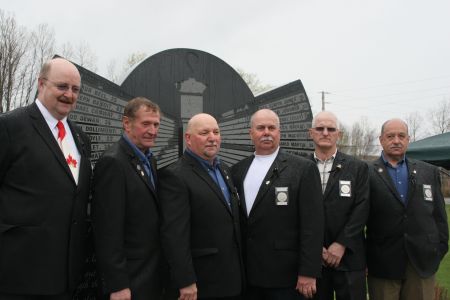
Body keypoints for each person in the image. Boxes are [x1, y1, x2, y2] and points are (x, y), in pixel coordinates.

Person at [0, 58, 92, 299]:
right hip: (19, 276)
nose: (69, 95)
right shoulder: (10, 127)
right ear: (41, 84)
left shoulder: (81, 137)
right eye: (62, 86)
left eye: (75, 89)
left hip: (66, 278)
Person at [231, 108, 324, 299]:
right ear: (251, 133)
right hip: (247, 276)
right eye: (260, 128)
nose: (266, 132)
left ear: (279, 133)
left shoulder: (303, 169)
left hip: (286, 278)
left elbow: (312, 225)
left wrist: (308, 272)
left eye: (271, 127)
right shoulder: (237, 171)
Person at [158, 113, 243, 300]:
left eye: (216, 132)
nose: (212, 138)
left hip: (232, 281)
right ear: (188, 138)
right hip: (200, 284)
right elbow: (174, 236)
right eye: (204, 133)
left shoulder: (225, 170)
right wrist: (186, 281)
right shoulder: (175, 176)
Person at [366, 118, 449, 300]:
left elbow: (439, 217)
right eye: (390, 136)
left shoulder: (429, 172)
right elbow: (359, 218)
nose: (396, 140)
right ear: (381, 139)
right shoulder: (366, 172)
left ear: (408, 139)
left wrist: (438, 250)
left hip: (421, 264)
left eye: (401, 136)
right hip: (383, 264)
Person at [92, 97, 164, 300]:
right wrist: (118, 285)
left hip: (150, 277)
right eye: (146, 124)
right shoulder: (113, 163)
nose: (153, 130)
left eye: (156, 124)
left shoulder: (150, 160)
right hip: (129, 283)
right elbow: (107, 230)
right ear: (127, 123)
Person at [308, 111, 369, 300]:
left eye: (331, 129)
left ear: (338, 134)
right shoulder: (299, 167)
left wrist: (341, 243)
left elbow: (362, 208)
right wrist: (314, 247)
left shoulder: (358, 168)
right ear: (311, 133)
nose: (325, 132)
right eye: (320, 128)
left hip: (350, 258)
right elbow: (296, 213)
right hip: (313, 261)